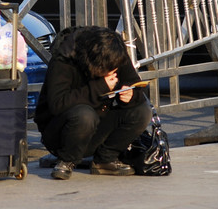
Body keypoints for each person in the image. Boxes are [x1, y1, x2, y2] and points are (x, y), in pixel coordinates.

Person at [34, 26, 152, 180]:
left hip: (99, 126)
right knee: (84, 114)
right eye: (108, 69)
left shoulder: (114, 53)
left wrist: (130, 94)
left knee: (142, 111)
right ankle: (66, 161)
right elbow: (58, 104)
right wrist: (100, 86)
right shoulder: (64, 59)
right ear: (96, 63)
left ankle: (105, 159)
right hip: (62, 135)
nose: (113, 72)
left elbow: (134, 84)